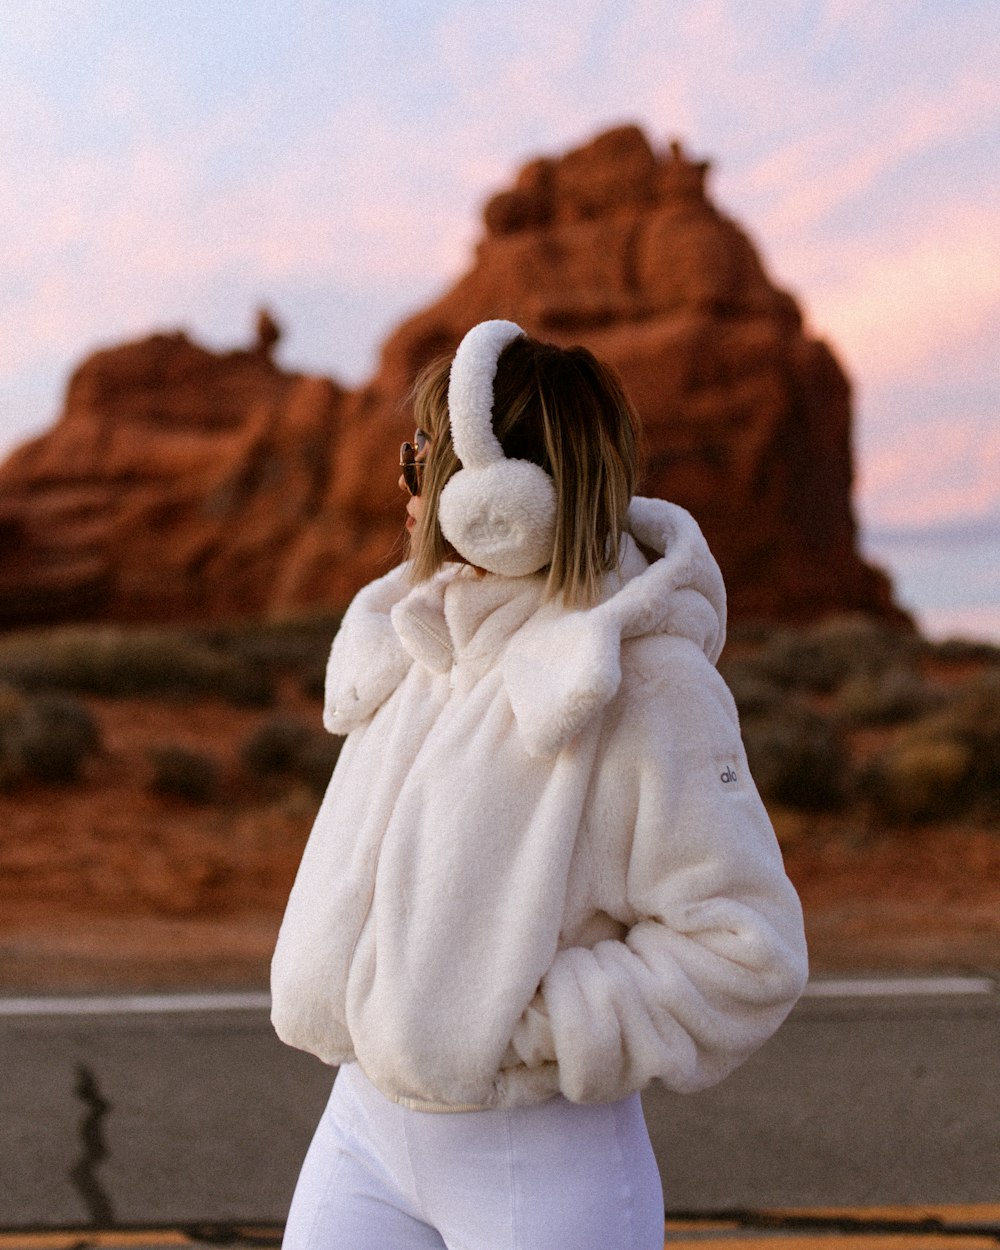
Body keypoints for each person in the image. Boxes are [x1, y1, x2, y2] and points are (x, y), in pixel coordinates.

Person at [271, 320, 809, 1250]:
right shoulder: (424, 640)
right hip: (362, 1122)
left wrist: (512, 1021)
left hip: (538, 1162)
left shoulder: (645, 683)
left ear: (497, 498)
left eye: (420, 461)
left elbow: (745, 954)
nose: (406, 485)